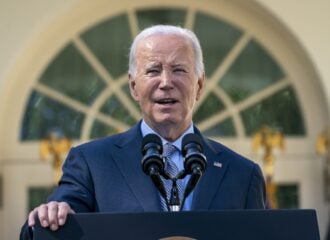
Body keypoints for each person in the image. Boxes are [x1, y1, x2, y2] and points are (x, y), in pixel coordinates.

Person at [20, 25, 266, 239]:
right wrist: (47, 217)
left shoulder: (243, 174)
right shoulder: (92, 164)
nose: (166, 82)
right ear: (133, 86)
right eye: (153, 70)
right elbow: (44, 229)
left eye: (179, 69)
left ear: (199, 85)